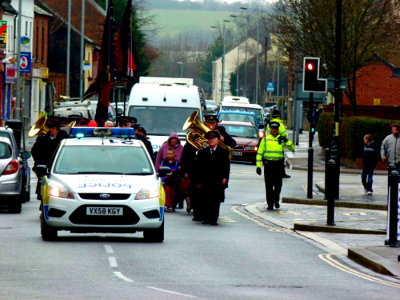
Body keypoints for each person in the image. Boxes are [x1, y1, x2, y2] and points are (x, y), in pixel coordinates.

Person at [192, 130, 230, 225]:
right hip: (206, 180)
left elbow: (226, 166)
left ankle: (214, 219)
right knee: (205, 199)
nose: (211, 141)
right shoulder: (202, 153)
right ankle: (206, 218)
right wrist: (198, 181)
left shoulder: (223, 152)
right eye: (209, 139)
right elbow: (198, 168)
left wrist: (225, 178)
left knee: (216, 200)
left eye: (213, 139)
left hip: (218, 180)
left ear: (217, 140)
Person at [256, 121, 295, 210]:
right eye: (272, 128)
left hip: (278, 165)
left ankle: (276, 200)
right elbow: (259, 153)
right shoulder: (265, 139)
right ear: (270, 129)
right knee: (269, 186)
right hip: (268, 165)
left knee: (278, 185)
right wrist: (258, 166)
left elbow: (292, 148)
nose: (274, 130)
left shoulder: (281, 139)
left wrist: (286, 141)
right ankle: (270, 204)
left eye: (275, 129)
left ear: (277, 130)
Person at [31, 117, 68, 199]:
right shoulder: (42, 139)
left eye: (53, 128)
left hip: (59, 167)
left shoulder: (64, 140)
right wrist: (39, 162)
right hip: (44, 166)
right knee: (43, 190)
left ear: (57, 130)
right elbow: (35, 151)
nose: (51, 130)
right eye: (50, 128)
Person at [267, 109, 291, 179]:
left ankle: (271, 173)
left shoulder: (269, 124)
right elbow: (284, 135)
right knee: (280, 160)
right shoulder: (280, 124)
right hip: (278, 144)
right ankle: (282, 173)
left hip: (270, 144)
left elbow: (267, 133)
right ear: (278, 116)